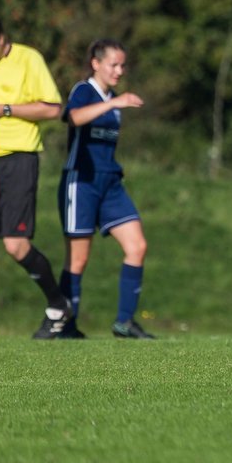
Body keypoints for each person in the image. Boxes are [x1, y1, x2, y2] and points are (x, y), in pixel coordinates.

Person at [0, 10, 72, 339]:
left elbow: (53, 109)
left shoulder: (28, 59)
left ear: (1, 40)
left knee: (15, 245)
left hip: (17, 160)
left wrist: (4, 109)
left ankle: (59, 305)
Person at [56, 39, 152, 339]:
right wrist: (113, 102)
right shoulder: (85, 91)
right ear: (96, 63)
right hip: (81, 182)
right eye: (114, 64)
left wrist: (115, 102)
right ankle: (64, 324)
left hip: (110, 183)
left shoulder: (113, 99)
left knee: (137, 247)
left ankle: (125, 322)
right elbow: (72, 117)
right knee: (78, 259)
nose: (119, 70)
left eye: (122, 65)